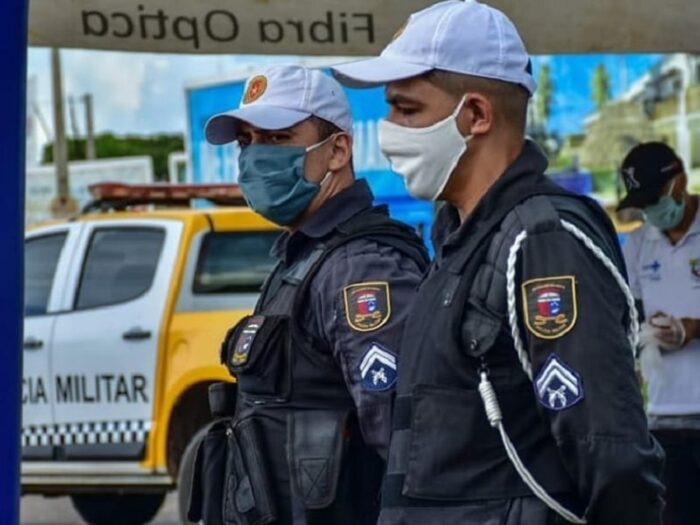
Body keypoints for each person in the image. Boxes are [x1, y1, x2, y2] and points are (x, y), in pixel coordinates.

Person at [331, 1, 665, 524]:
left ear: (477, 115)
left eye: (407, 109)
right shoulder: (459, 242)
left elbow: (611, 453)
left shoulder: (542, 240)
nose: (388, 128)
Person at [186, 64, 428, 525]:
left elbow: (409, 448)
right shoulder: (303, 256)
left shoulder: (361, 268)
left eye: (277, 139)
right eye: (247, 141)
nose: (255, 157)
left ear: (337, 150)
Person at [619, 142, 700, 525]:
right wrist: (646, 334)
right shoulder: (637, 245)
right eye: (644, 203)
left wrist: (693, 328)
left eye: (656, 199)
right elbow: (627, 317)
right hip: (664, 418)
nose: (653, 211)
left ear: (680, 181)